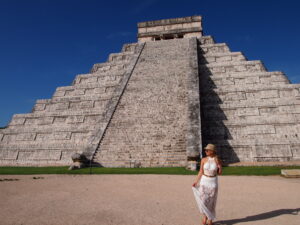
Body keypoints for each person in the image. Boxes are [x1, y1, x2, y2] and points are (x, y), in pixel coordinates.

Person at [192, 144, 222, 225]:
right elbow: (201, 171)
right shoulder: (203, 159)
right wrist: (196, 181)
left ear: (212, 151)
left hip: (213, 181)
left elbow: (219, 173)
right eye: (205, 150)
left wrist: (220, 167)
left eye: (207, 150)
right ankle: (205, 216)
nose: (206, 151)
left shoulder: (217, 160)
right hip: (204, 181)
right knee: (204, 201)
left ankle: (210, 219)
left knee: (211, 202)